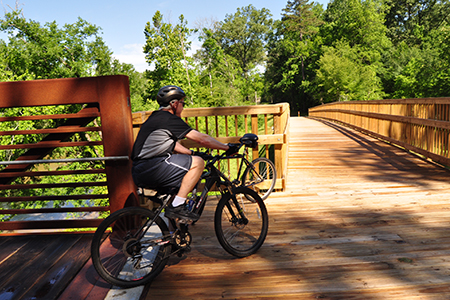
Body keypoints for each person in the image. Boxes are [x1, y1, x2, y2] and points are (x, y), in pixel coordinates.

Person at [131, 85, 239, 221]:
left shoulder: (157, 117)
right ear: (174, 104)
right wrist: (227, 148)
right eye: (182, 103)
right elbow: (202, 139)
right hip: (152, 167)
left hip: (143, 169)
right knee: (198, 164)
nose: (183, 106)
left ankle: (172, 235)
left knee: (177, 193)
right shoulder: (168, 119)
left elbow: (171, 143)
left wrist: (191, 153)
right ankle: (177, 206)